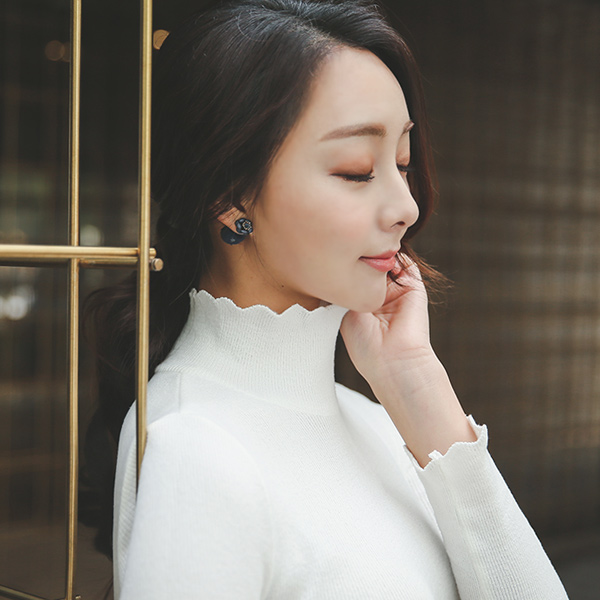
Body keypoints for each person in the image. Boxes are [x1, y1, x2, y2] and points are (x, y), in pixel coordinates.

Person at [83, 0, 569, 598]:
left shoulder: (384, 424)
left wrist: (416, 384)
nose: (407, 207)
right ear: (228, 196)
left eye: (402, 163)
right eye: (357, 170)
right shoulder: (198, 450)